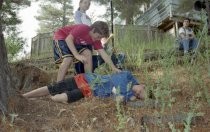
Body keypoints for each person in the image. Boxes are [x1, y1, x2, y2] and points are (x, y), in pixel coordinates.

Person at [53, 21, 121, 82]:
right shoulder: (83, 28)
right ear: (93, 30)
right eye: (98, 36)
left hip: (74, 43)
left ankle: (89, 80)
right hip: (62, 37)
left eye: (100, 38)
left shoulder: (96, 40)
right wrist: (77, 55)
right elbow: (68, 39)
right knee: (68, 59)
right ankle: (58, 86)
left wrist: (113, 67)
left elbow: (103, 54)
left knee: (87, 53)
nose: (99, 39)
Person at [22, 71, 145, 104]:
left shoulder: (128, 94)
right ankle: (24, 96)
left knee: (65, 98)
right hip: (87, 79)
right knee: (53, 87)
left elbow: (118, 100)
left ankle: (50, 98)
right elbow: (116, 73)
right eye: (141, 91)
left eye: (139, 95)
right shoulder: (128, 75)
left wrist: (131, 97)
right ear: (143, 85)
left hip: (89, 91)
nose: (138, 93)